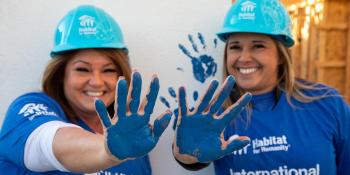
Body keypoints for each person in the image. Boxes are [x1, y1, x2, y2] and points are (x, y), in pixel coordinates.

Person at [172, 0, 350, 174]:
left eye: (258, 46)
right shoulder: (215, 115)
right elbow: (192, 156)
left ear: (281, 55)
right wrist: (188, 157)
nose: (244, 57)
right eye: (235, 47)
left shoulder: (327, 103)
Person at [0, 5, 172, 174]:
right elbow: (46, 143)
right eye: (82, 69)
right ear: (61, 75)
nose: (96, 82)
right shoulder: (29, 107)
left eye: (109, 70)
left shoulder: (131, 135)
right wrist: (108, 151)